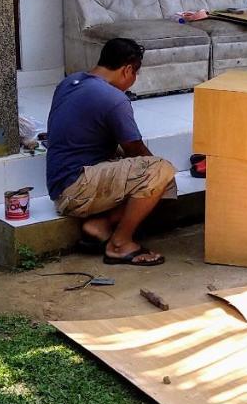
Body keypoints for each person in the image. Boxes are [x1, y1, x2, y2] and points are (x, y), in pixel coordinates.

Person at [45, 38, 176, 266]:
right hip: (77, 188)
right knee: (161, 170)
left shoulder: (69, 82)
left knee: (150, 172)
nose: (133, 81)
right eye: (135, 74)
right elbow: (135, 149)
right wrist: (160, 178)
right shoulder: (114, 99)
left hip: (59, 185)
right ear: (127, 70)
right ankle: (119, 244)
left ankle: (100, 225)